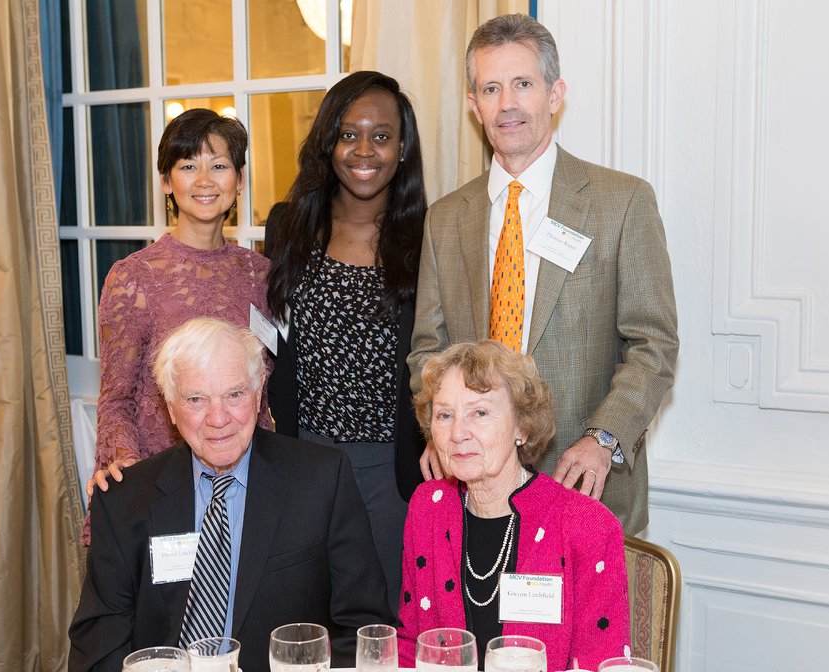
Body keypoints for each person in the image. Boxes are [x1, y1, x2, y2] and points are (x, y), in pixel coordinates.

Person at [408, 14, 679, 535]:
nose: (507, 103)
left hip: (583, 487)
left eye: (523, 84)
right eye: (491, 88)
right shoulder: (445, 218)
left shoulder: (621, 203)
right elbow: (429, 351)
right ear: (473, 105)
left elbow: (655, 344)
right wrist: (447, 432)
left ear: (555, 95)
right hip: (474, 495)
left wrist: (603, 441)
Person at [69, 318, 393, 672]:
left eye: (235, 394)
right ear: (171, 408)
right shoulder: (124, 500)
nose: (218, 418)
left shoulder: (321, 480)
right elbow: (98, 649)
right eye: (196, 399)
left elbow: (364, 632)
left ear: (258, 394)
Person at [265, 71, 427, 612]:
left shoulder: (431, 235)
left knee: (381, 626)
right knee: (301, 620)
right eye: (348, 133)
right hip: (302, 461)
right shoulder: (288, 226)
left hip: (391, 471)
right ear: (328, 143)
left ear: (402, 147)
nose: (364, 150)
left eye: (381, 136)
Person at [86, 108, 274, 542]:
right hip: (164, 484)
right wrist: (132, 477)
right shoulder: (133, 277)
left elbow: (265, 392)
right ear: (167, 182)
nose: (204, 180)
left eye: (219, 165)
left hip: (249, 483)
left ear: (240, 180)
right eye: (188, 166)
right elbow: (117, 398)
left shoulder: (261, 274)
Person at [396, 340, 629, 669]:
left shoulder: (586, 526)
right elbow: (411, 645)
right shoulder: (428, 508)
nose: (458, 432)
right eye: (445, 415)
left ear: (522, 426)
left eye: (480, 413)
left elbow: (603, 663)